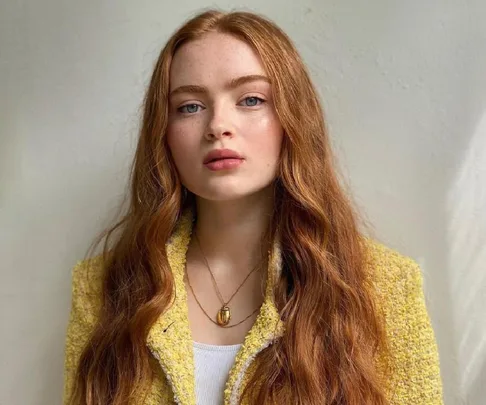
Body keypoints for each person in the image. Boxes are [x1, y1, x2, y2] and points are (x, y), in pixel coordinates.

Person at [62, 8, 444, 405]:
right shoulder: (102, 289)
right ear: (164, 133)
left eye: (250, 99)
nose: (217, 125)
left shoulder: (382, 287)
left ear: (292, 119)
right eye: (190, 106)